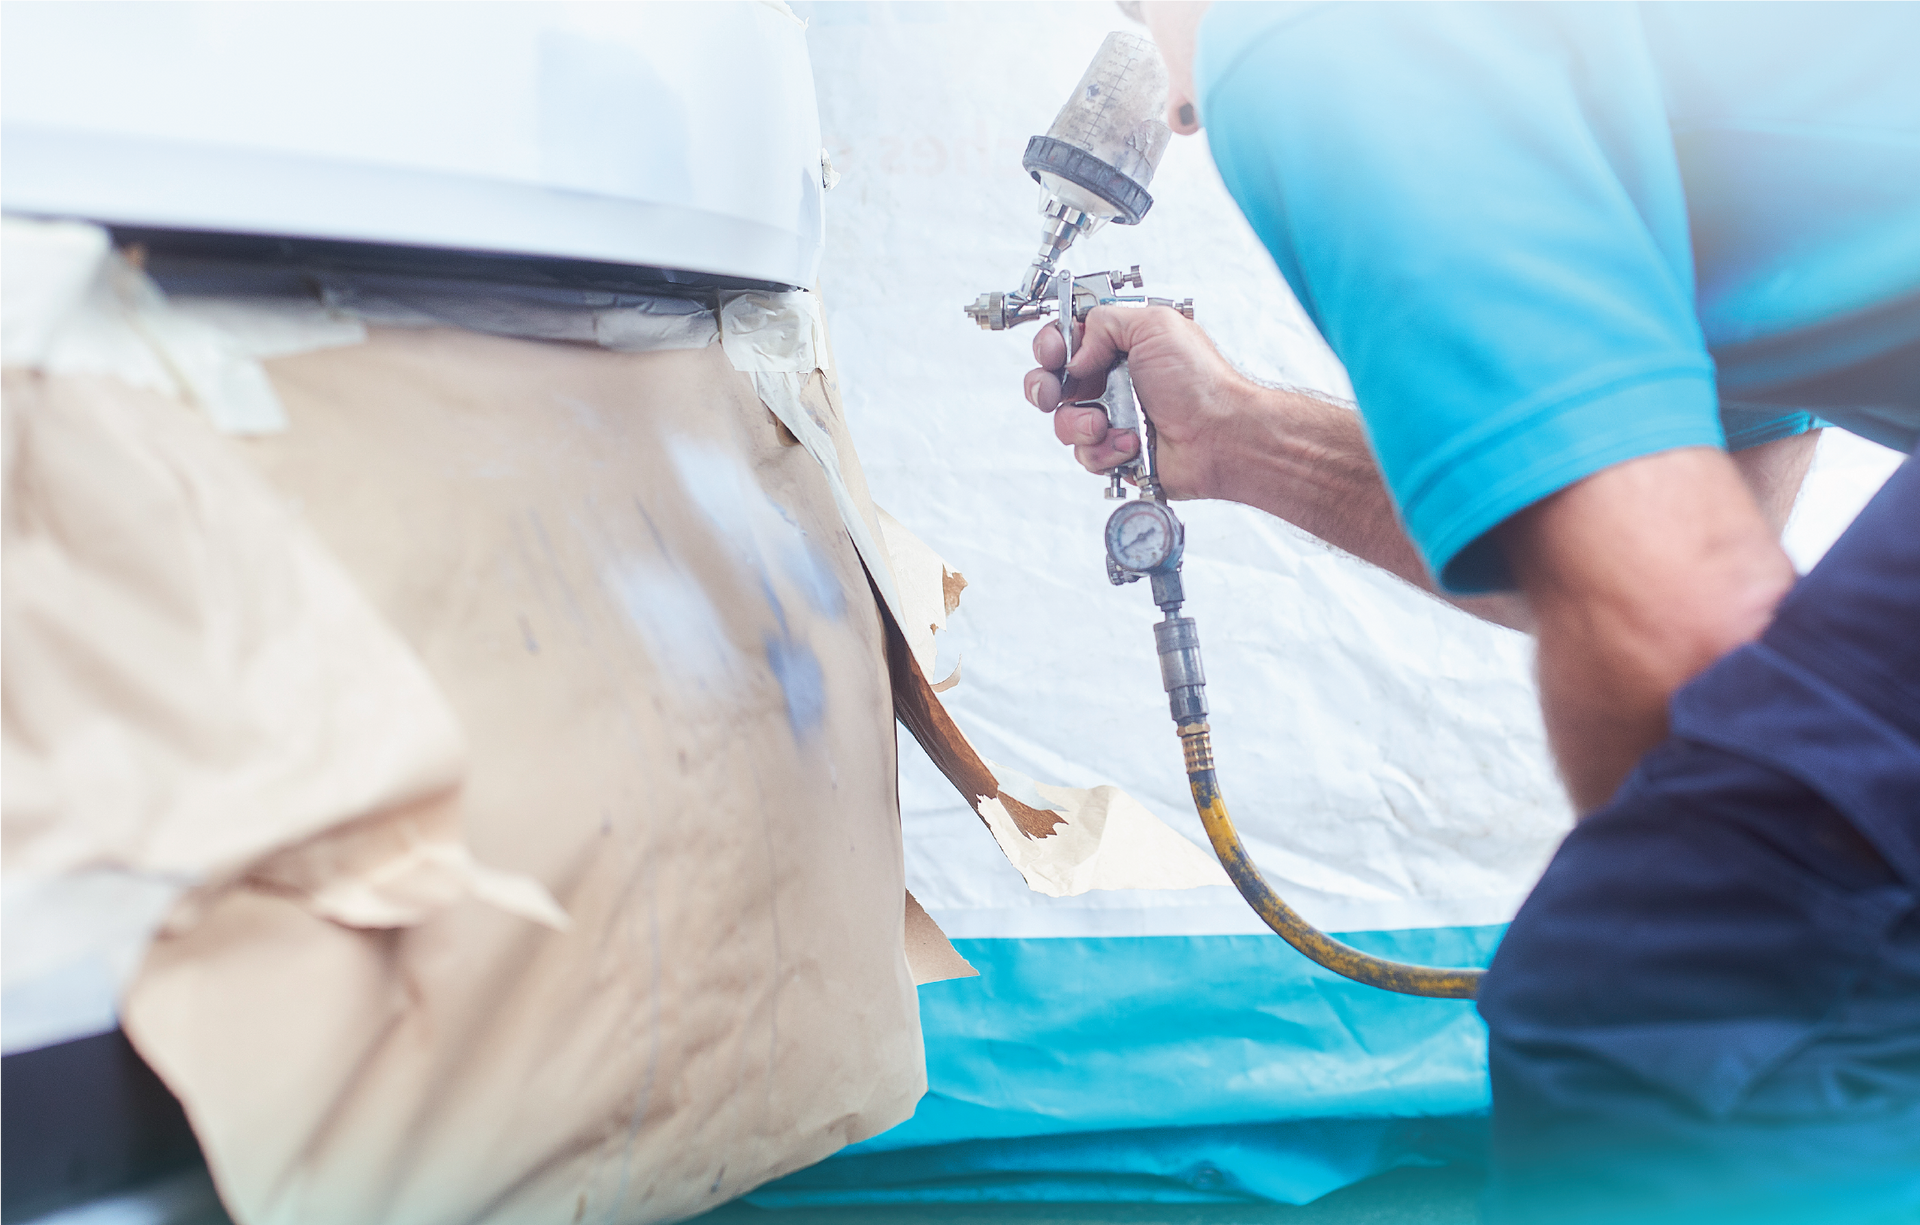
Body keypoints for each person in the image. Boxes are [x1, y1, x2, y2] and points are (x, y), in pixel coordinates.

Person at [1030, 2, 1920, 1220]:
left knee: (1646, 992)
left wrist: (1684, 961)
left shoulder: (1311, 33)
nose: (1172, 99)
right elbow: (1703, 535)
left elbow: (1680, 632)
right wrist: (1240, 438)